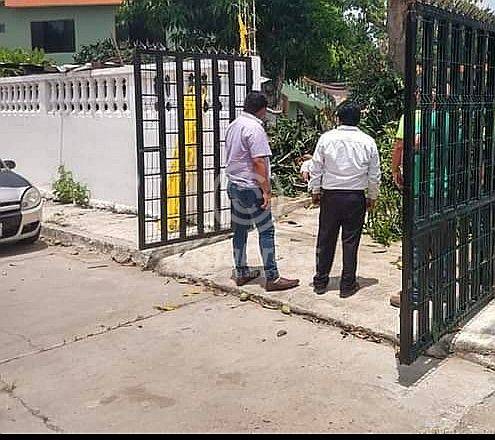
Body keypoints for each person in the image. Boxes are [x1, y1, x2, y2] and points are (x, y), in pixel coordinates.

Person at [224, 91, 300, 292]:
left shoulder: (234, 125)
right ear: (262, 109)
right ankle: (272, 277)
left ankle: (241, 272)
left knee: (240, 230)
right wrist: (266, 191)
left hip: (235, 184)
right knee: (266, 230)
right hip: (251, 187)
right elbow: (258, 161)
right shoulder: (255, 128)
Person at [309, 102, 381, 297]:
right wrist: (372, 196)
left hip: (331, 196)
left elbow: (316, 167)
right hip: (355, 197)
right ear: (359, 119)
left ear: (338, 118)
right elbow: (374, 174)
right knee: (350, 241)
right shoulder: (368, 141)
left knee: (325, 238)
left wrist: (315, 190)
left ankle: (320, 281)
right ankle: (347, 284)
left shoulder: (326, 138)